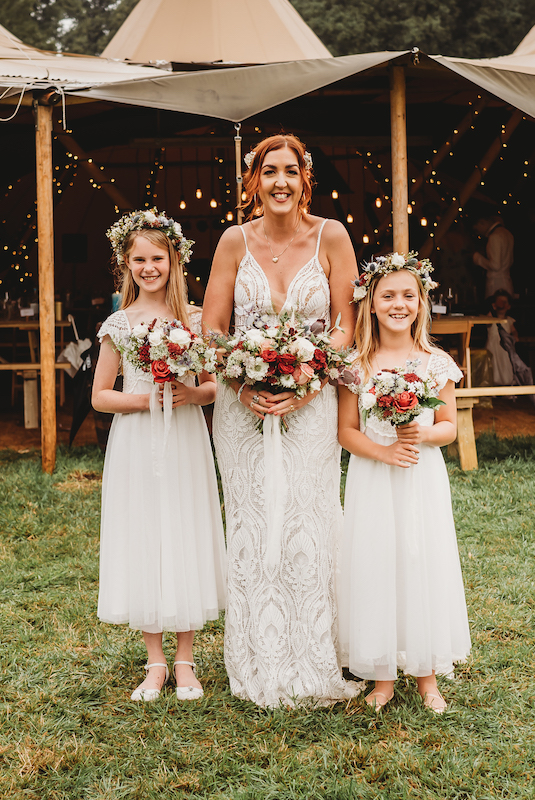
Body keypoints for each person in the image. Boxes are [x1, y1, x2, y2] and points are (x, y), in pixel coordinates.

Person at [202, 133, 361, 708]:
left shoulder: (333, 236)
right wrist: (243, 382)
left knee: (307, 521)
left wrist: (310, 378)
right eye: (269, 171)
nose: (280, 182)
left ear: (305, 179)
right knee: (251, 522)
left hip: (312, 405)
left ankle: (315, 656)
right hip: (240, 410)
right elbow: (214, 328)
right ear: (254, 181)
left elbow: (345, 323)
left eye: (290, 172)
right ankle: (255, 660)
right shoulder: (231, 242)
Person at [92, 210, 226, 702]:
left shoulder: (193, 321)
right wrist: (147, 400)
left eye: (158, 258)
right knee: (146, 533)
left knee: (185, 531)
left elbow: (212, 387)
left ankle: (187, 660)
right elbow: (100, 396)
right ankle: (154, 662)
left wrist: (191, 396)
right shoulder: (119, 324)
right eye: (139, 259)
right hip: (137, 441)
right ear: (125, 265)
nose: (149, 267)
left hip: (186, 438)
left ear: (174, 261)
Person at [335, 254, 470, 714]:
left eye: (408, 296)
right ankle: (382, 676)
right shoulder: (357, 364)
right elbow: (347, 432)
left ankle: (427, 674)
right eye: (387, 296)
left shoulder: (436, 361)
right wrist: (385, 451)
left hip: (420, 479)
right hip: (375, 477)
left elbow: (449, 426)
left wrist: (420, 434)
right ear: (370, 304)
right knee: (377, 562)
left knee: (420, 559)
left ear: (421, 302)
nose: (398, 304)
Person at [484, 290, 535, 415]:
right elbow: (487, 322)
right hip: (493, 346)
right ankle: (492, 390)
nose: (501, 305)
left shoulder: (509, 320)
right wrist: (492, 311)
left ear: (508, 306)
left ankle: (507, 390)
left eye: (504, 302)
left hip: (504, 348)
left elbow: (514, 331)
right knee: (493, 366)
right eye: (499, 302)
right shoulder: (491, 317)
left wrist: (515, 336)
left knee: (506, 367)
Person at [472, 211, 514, 303]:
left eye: (477, 229)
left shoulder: (494, 236)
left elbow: (495, 265)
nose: (478, 233)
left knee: (494, 312)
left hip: (496, 284)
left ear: (482, 223)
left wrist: (477, 258)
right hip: (506, 281)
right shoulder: (507, 233)